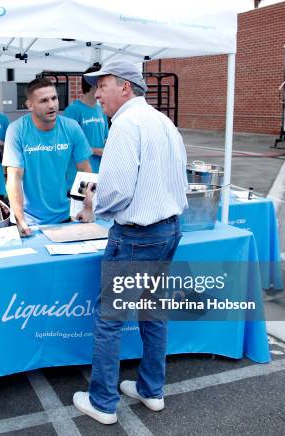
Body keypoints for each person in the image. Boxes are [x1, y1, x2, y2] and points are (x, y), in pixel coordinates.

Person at [72, 60, 188, 425]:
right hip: (169, 230)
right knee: (153, 313)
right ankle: (152, 390)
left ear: (124, 87)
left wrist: (93, 206)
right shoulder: (163, 122)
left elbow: (118, 190)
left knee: (108, 319)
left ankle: (103, 403)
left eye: (102, 85)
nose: (97, 93)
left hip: (137, 236)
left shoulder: (124, 123)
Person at [2, 77, 93, 235]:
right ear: (30, 105)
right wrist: (19, 218)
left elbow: (85, 170)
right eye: (43, 100)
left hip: (63, 216)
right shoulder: (16, 130)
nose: (51, 105)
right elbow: (14, 177)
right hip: (28, 220)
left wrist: (87, 207)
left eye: (54, 98)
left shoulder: (71, 127)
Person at [63, 65, 109, 187]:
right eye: (103, 84)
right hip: (78, 177)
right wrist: (97, 151)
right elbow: (67, 145)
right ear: (93, 84)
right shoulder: (72, 111)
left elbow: (105, 140)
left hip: (99, 174)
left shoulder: (101, 110)